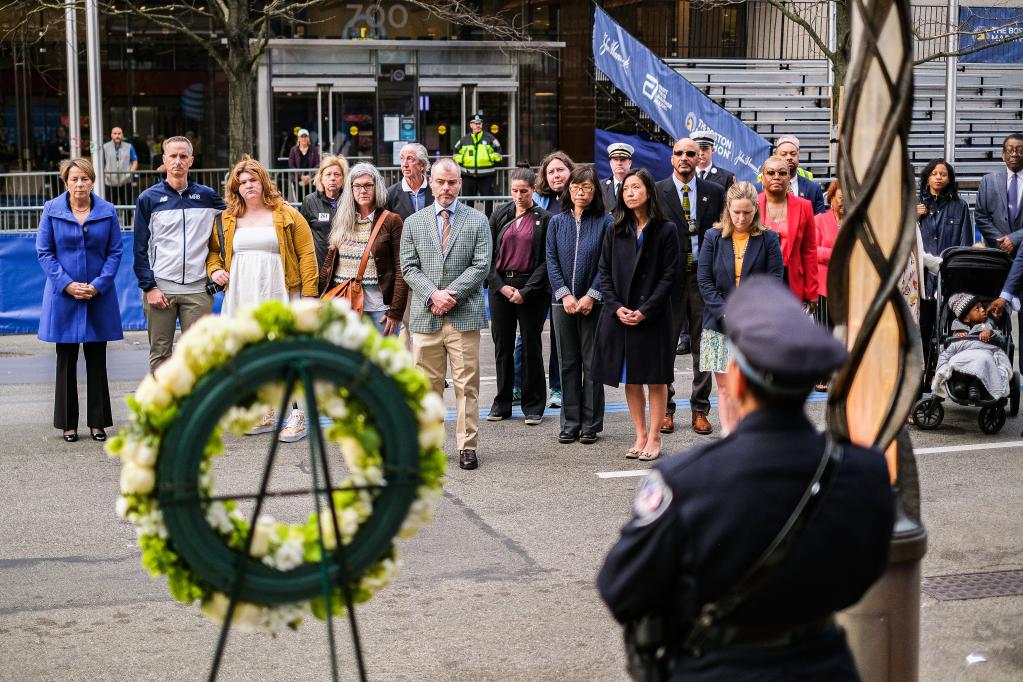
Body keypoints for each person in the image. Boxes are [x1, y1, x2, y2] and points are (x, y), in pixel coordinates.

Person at [598, 276, 894, 681]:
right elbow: (864, 573)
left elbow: (621, 588)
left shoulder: (685, 481)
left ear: (735, 380)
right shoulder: (864, 472)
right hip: (823, 665)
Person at [206, 156, 318, 442]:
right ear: (236, 188)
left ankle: (297, 414)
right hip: (242, 293)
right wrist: (216, 271)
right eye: (242, 182)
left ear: (264, 181)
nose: (248, 186)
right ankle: (266, 411)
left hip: (279, 290)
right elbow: (214, 253)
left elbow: (307, 254)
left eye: (253, 180)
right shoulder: (226, 218)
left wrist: (308, 296)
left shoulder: (287, 214)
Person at [400, 158, 491, 471]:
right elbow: (408, 267)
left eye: (452, 182)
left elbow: (481, 265)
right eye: (440, 182)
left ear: (460, 183)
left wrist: (449, 295)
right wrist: (432, 295)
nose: (446, 188)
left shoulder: (478, 221)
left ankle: (467, 446)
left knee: (468, 386)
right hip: (426, 318)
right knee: (428, 387)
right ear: (430, 181)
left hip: (463, 316)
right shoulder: (414, 222)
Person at [594, 169, 680, 461]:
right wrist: (616, 306)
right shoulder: (614, 228)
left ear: (648, 191)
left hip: (652, 317)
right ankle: (640, 434)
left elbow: (670, 276)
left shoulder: (665, 229)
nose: (630, 193)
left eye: (636, 187)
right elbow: (603, 272)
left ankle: (655, 437)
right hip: (621, 314)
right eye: (626, 188)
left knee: (655, 379)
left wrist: (645, 311)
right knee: (631, 379)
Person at [36, 158, 123, 443]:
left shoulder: (108, 211)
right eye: (74, 179)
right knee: (66, 358)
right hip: (64, 297)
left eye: (84, 179)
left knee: (97, 359)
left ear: (92, 181)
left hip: (99, 296)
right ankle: (67, 424)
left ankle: (98, 423)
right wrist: (68, 285)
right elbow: (45, 252)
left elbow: (115, 253)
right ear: (66, 182)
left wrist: (97, 286)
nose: (79, 184)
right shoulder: (51, 210)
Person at [133, 135, 226, 371]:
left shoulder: (207, 196)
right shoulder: (148, 199)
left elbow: (239, 216)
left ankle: (196, 409)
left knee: (198, 357)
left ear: (191, 161)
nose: (178, 161)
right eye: (172, 156)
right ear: (164, 160)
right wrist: (149, 287)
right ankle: (162, 408)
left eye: (183, 156)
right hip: (161, 288)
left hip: (198, 289)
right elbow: (139, 248)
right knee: (161, 356)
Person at [697, 181, 784, 432]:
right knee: (725, 387)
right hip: (717, 323)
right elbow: (704, 280)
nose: (741, 217)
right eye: (736, 212)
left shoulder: (768, 238)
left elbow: (774, 281)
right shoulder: (713, 237)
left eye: (747, 212)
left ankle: (750, 436)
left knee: (750, 385)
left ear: (756, 210)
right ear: (728, 209)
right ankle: (729, 435)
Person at [656, 136, 724, 436]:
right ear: (671, 158)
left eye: (690, 153)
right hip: (669, 281)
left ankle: (700, 409)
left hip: (703, 279)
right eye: (678, 153)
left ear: (700, 158)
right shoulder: (658, 191)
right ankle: (666, 410)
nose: (684, 157)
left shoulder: (715, 192)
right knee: (665, 346)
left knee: (705, 347)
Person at [547, 165, 611, 445]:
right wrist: (564, 294)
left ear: (595, 190)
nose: (580, 192)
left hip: (593, 305)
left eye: (586, 187)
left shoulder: (606, 222)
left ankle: (591, 424)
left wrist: (590, 295)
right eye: (575, 187)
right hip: (563, 304)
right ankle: (570, 422)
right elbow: (550, 259)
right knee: (567, 363)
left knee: (591, 364)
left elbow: (606, 264)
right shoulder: (556, 222)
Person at [486, 167, 551, 424]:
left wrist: (526, 290)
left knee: (531, 346)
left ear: (533, 190)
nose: (519, 196)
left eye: (524, 191)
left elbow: (547, 260)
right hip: (501, 285)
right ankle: (502, 402)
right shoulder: (499, 214)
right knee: (502, 347)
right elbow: (486, 254)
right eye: (514, 191)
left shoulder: (544, 218)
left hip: (530, 287)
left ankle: (533, 405)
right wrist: (500, 286)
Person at [318, 163, 407, 335]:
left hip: (379, 309)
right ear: (350, 189)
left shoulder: (391, 221)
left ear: (377, 187)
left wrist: (395, 312)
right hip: (344, 307)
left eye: (368, 185)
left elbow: (401, 269)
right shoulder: (343, 219)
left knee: (381, 360)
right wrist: (316, 297)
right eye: (357, 186)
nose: (362, 190)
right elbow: (329, 262)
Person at [532, 151, 574, 406]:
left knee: (560, 338)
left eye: (560, 170)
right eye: (551, 172)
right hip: (539, 277)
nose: (556, 175)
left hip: (565, 279)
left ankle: (557, 389)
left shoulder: (580, 197)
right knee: (528, 335)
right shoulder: (539, 202)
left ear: (570, 171)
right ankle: (518, 384)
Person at [759, 154, 819, 311]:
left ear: (789, 177)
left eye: (782, 173)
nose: (776, 177)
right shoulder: (752, 205)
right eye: (771, 173)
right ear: (763, 178)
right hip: (760, 280)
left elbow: (809, 252)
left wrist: (812, 291)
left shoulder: (804, 206)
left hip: (792, 280)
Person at [933, 293, 1011, 403]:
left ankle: (975, 387)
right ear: (966, 318)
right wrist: (956, 337)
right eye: (977, 309)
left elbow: (1001, 339)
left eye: (982, 307)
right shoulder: (958, 329)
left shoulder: (988, 325)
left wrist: (991, 333)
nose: (983, 309)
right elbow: (949, 346)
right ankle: (961, 384)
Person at [975, 133, 1023, 253]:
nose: (1014, 154)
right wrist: (1002, 242)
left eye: (1020, 150)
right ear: (1003, 155)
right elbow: (981, 216)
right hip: (996, 250)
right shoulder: (988, 181)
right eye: (1010, 150)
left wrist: (1015, 238)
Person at [299, 154, 349, 266]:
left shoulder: (350, 200)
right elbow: (300, 236)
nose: (332, 178)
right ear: (321, 178)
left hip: (346, 266)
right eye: (328, 174)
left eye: (337, 174)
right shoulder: (310, 201)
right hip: (319, 264)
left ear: (343, 178)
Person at [771, 135, 826, 215]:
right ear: (775, 157)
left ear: (798, 156)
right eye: (784, 154)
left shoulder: (814, 189)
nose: (789, 157)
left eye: (793, 154)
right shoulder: (762, 187)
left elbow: (820, 222)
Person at [815, 179, 844, 327]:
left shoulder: (856, 222)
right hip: (824, 288)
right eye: (841, 198)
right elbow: (813, 250)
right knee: (824, 333)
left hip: (848, 289)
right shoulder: (819, 220)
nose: (845, 202)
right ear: (831, 198)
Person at [452, 114, 502, 198]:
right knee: (468, 202)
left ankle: (487, 212)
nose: (478, 125)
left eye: (479, 123)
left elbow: (499, 154)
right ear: (471, 125)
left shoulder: (490, 138)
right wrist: (463, 159)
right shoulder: (464, 140)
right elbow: (455, 154)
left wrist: (489, 157)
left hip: (486, 176)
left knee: (488, 202)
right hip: (468, 176)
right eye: (475, 123)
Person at [386, 142, 434, 220]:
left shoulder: (435, 189)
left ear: (422, 165)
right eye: (402, 158)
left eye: (410, 159)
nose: (404, 164)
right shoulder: (390, 194)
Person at [101, 126, 138, 199]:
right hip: (110, 182)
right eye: (115, 133)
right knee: (110, 206)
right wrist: (106, 173)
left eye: (119, 133)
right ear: (111, 135)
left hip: (126, 181)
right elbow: (102, 162)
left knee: (127, 207)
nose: (117, 136)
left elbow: (135, 162)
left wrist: (130, 173)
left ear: (122, 135)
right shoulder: (105, 147)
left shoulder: (129, 146)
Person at [601, 142, 633, 213]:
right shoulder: (601, 186)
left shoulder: (637, 185)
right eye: (615, 159)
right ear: (610, 163)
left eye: (623, 159)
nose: (619, 163)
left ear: (630, 163)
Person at [288, 128, 320, 200]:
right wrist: (301, 176)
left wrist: (309, 176)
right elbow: (291, 165)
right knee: (299, 201)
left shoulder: (314, 149)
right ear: (298, 138)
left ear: (308, 138)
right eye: (302, 137)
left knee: (311, 201)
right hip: (298, 181)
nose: (304, 138)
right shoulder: (293, 150)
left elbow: (318, 164)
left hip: (311, 180)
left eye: (305, 136)